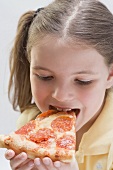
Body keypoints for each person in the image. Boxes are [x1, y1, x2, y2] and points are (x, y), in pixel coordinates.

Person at [5, 0, 113, 169]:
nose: (61, 95)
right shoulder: (30, 124)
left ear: (110, 75)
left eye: (82, 81)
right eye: (45, 77)